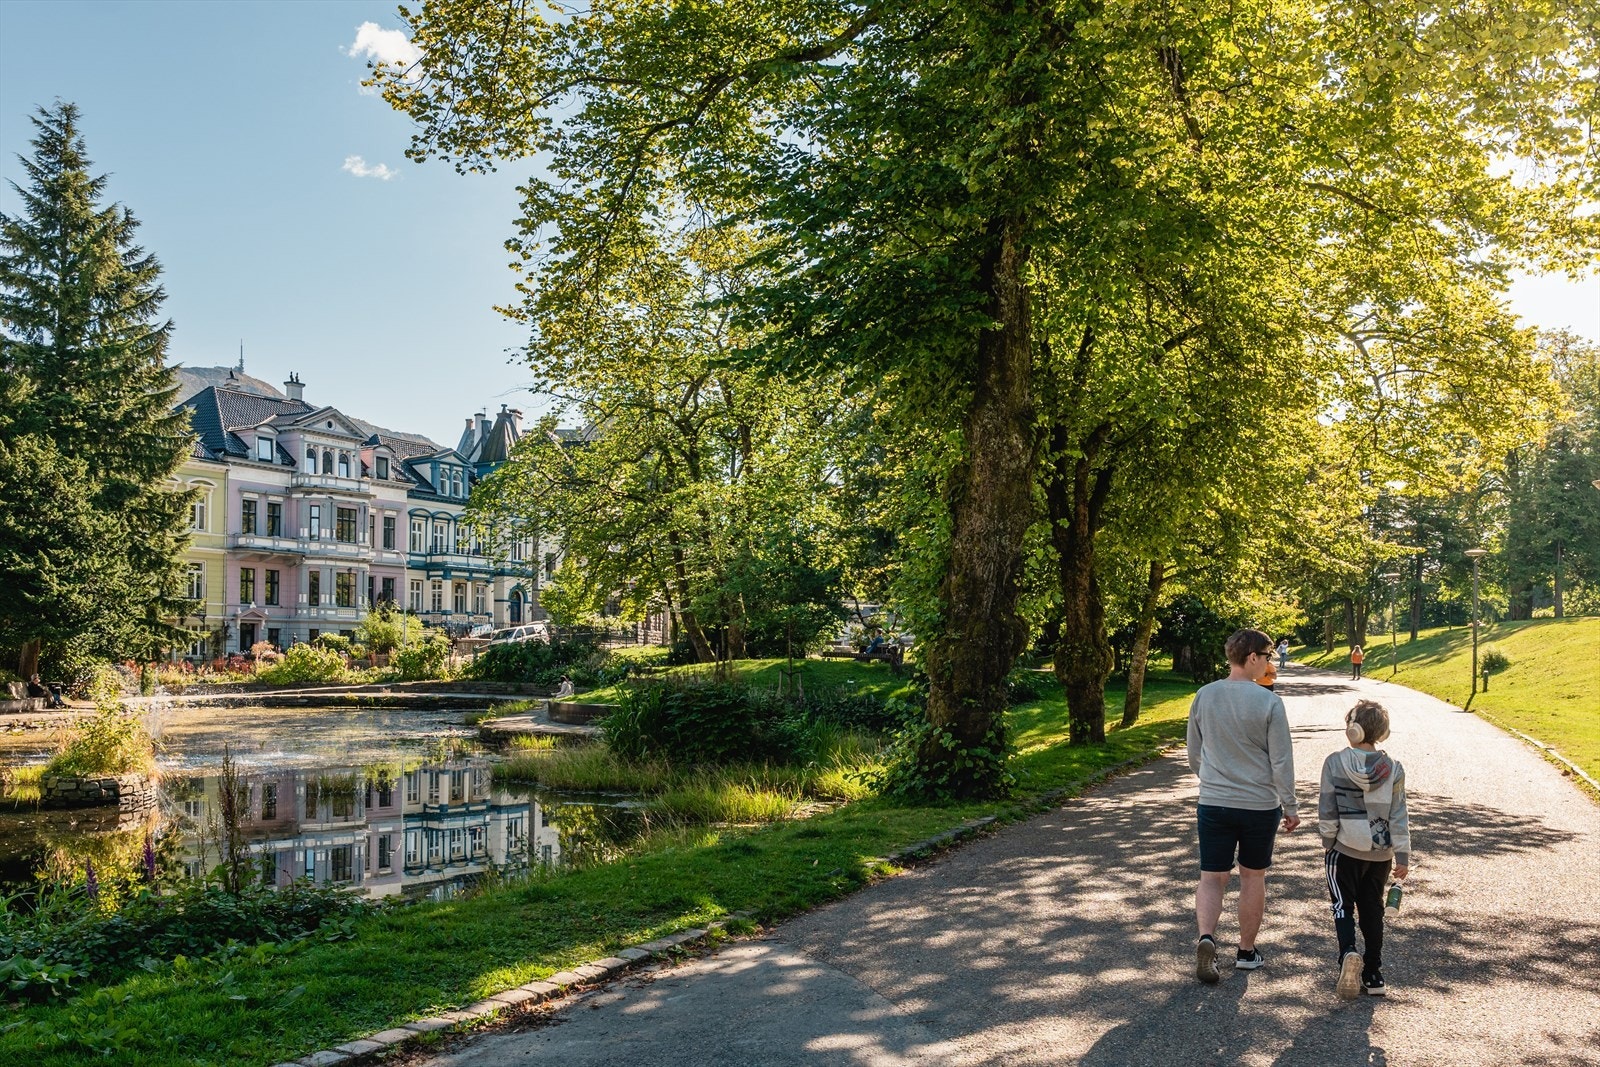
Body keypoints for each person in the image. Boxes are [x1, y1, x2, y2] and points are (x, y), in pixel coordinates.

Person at [1187, 628, 1300, 984]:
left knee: (1212, 876)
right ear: (1252, 657)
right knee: (1252, 877)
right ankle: (1246, 952)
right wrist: (1290, 805)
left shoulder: (1204, 696)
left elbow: (1194, 752)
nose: (1267, 663)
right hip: (1258, 806)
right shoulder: (1268, 702)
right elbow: (1281, 761)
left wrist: (1213, 780)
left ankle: (1207, 938)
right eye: (1266, 657)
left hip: (1215, 802)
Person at [1319, 699, 1410, 999]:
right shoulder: (1394, 768)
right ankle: (1373, 973)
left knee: (1342, 905)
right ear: (1382, 733)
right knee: (1373, 908)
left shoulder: (1335, 762)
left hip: (1344, 849)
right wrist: (1402, 855)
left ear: (1352, 728)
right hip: (1381, 855)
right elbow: (1398, 814)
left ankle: (1347, 953)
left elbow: (1328, 810)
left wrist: (1328, 841)